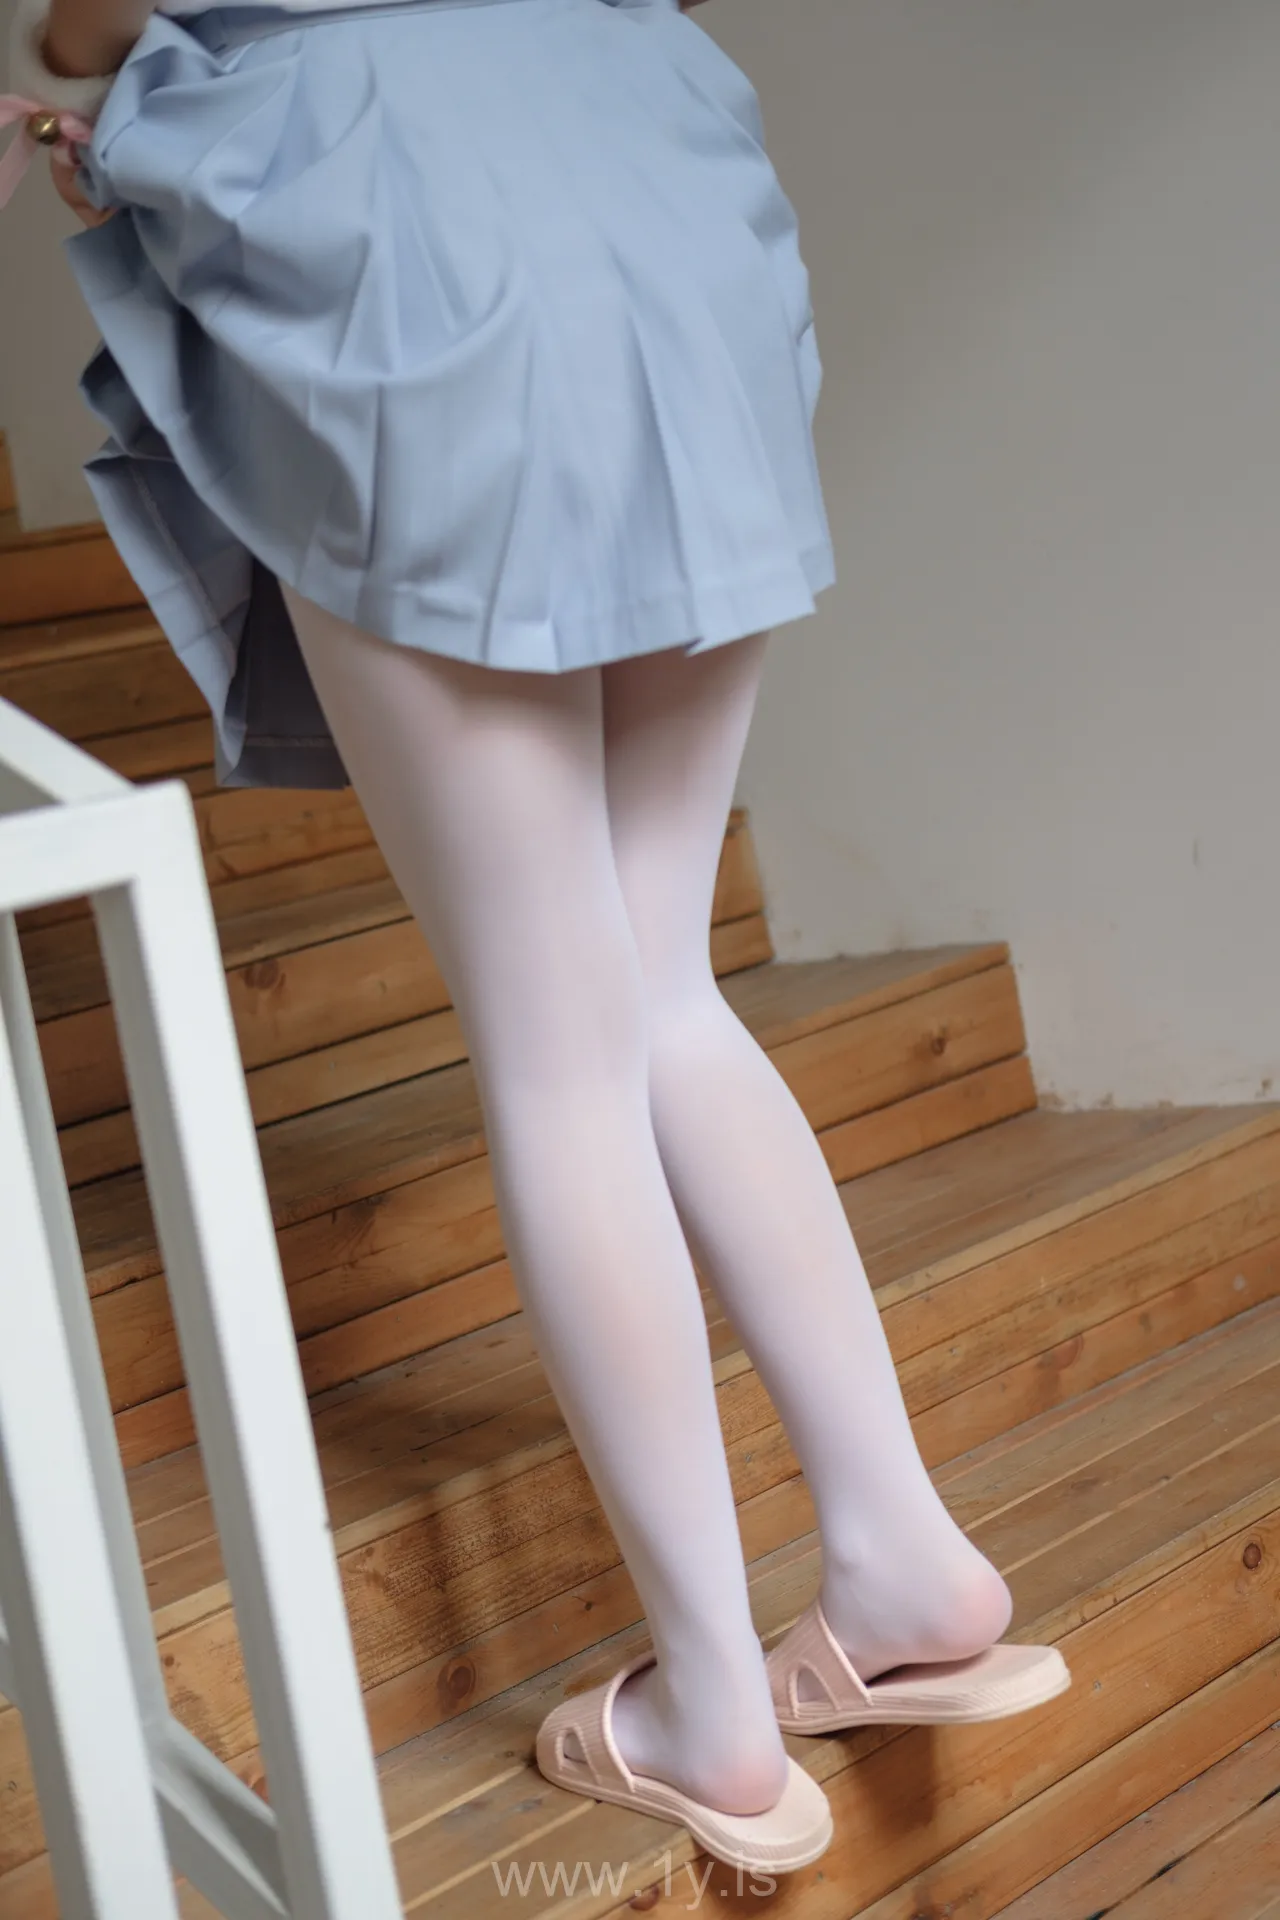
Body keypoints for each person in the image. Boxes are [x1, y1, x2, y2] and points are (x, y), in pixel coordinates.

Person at [3, 0, 1069, 1873]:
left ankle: (711, 1710)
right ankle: (902, 1557)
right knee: (661, 987)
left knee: (559, 1045)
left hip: (408, 223)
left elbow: (91, 22)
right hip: (648, 170)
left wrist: (139, 91)